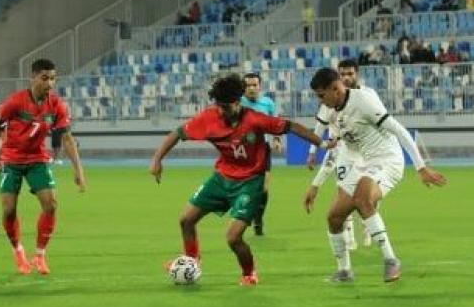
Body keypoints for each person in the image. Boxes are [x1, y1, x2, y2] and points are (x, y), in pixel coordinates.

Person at [150, 74, 334, 286]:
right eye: (218, 106)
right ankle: (192, 261)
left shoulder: (255, 119)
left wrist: (321, 144)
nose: (221, 111)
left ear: (237, 103)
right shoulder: (209, 118)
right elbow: (177, 134)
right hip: (221, 178)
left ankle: (249, 273)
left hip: (249, 183)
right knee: (186, 220)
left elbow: (291, 126)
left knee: (233, 237)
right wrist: (157, 160)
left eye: (226, 107)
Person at [305, 68, 446, 283]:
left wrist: (421, 167)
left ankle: (391, 260)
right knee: (334, 217)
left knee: (362, 198)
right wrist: (316, 184)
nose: (320, 101)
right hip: (364, 163)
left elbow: (399, 130)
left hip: (387, 160)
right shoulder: (334, 110)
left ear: (335, 88)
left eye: (321, 95)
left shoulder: (363, 101)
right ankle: (344, 272)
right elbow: (338, 147)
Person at [0, 58, 86, 275]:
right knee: (8, 210)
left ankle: (40, 255)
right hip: (11, 160)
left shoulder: (57, 105)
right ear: (32, 78)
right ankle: (18, 251)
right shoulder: (15, 102)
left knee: (51, 205)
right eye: (45, 78)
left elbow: (67, 139)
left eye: (52, 78)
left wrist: (78, 171)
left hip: (37, 159)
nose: (49, 83)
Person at [305, 60, 375, 250]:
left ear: (357, 74)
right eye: (342, 74)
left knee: (366, 194)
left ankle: (369, 230)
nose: (346, 77)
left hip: (366, 152)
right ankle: (350, 240)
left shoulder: (367, 95)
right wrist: (313, 151)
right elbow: (320, 127)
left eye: (350, 73)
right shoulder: (328, 98)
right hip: (342, 149)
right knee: (343, 192)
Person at [240, 73, 281, 236]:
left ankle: (258, 219)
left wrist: (277, 138)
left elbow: (275, 123)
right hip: (241, 150)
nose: (251, 88)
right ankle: (243, 216)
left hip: (262, 148)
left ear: (259, 86)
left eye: (254, 85)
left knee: (263, 188)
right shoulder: (237, 103)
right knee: (244, 187)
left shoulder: (267, 103)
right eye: (248, 85)